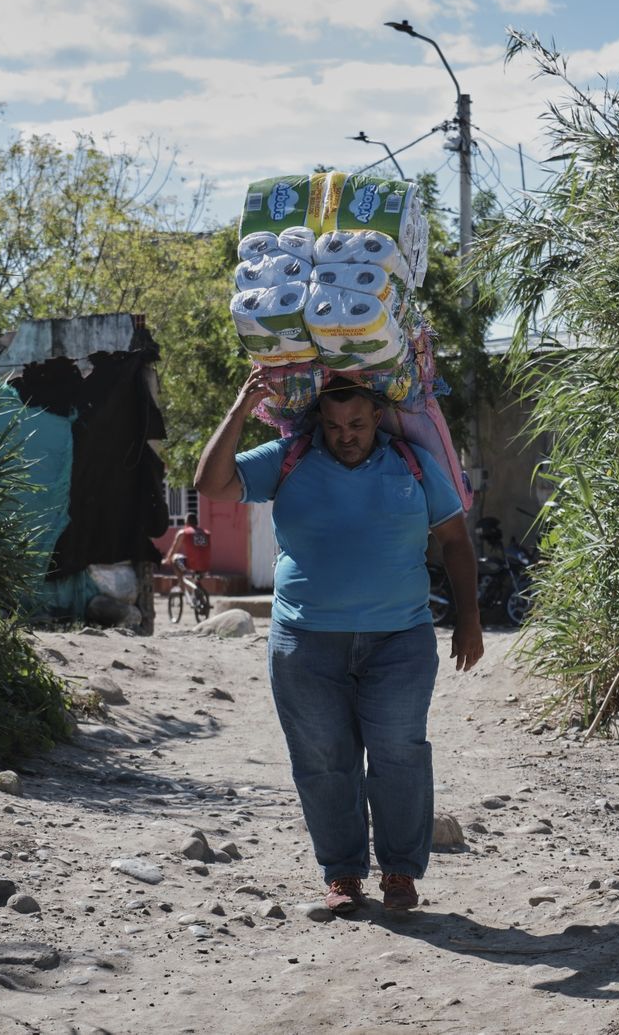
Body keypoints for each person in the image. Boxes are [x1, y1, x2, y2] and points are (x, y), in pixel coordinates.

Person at [194, 368, 483, 913]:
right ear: (318, 422)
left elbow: (454, 540)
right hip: (304, 643)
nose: (345, 435)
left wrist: (468, 619)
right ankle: (343, 874)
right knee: (324, 759)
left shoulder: (413, 464)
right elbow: (211, 484)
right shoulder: (290, 460)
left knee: (399, 753)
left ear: (377, 415)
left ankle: (399, 872)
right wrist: (238, 410)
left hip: (400, 640)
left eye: (356, 422)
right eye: (333, 425)